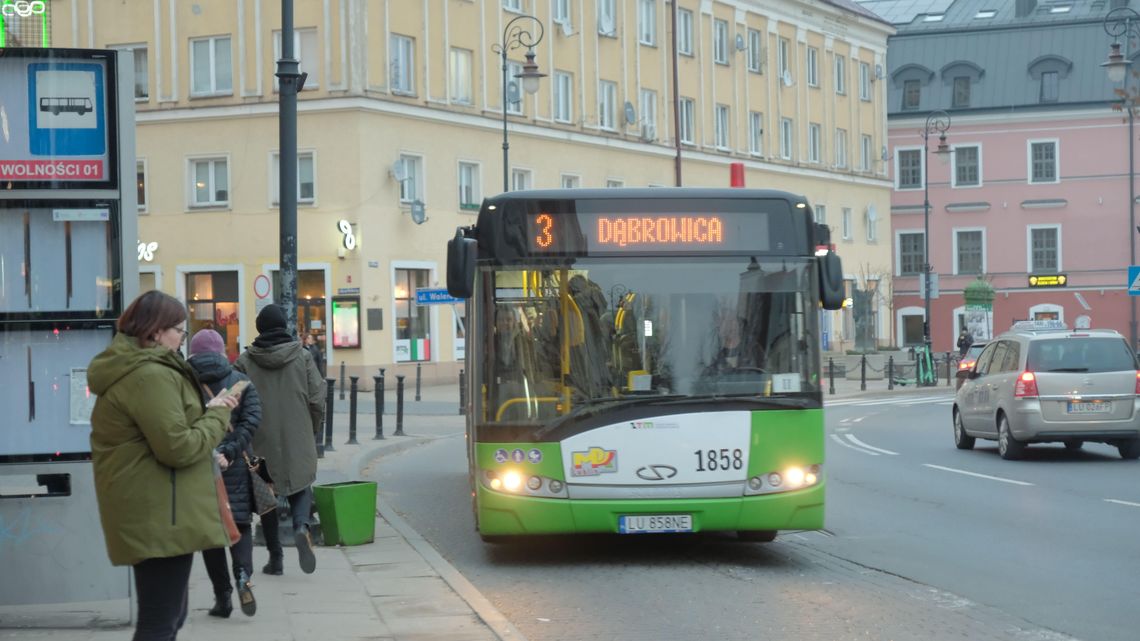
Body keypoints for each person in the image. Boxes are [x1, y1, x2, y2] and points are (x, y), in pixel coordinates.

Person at [88, 290, 240, 641]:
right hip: (159, 513)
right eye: (179, 330)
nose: (182, 338)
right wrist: (217, 415)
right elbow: (178, 448)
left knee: (170, 617)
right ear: (156, 331)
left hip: (157, 508)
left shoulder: (141, 369)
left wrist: (206, 412)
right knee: (160, 623)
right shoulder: (149, 375)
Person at [235, 304, 325, 576]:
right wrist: (312, 429)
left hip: (259, 437)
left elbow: (235, 402)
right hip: (298, 431)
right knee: (301, 483)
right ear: (284, 326)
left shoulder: (245, 361)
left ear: (259, 328)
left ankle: (276, 558)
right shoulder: (303, 356)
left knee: (266, 496)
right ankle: (301, 527)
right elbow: (317, 398)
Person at [187, 329, 262, 618]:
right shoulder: (239, 381)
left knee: (211, 534)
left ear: (192, 353)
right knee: (239, 524)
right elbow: (252, 419)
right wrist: (229, 452)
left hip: (201, 465)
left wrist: (211, 452)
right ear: (221, 352)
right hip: (235, 465)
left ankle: (223, 597)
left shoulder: (185, 382)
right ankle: (243, 576)